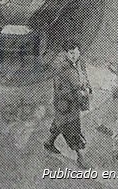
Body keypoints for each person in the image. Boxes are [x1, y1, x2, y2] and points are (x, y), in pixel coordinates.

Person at [44, 40, 92, 169]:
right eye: (71, 53)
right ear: (66, 53)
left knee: (60, 123)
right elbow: (69, 87)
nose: (74, 56)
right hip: (66, 103)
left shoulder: (79, 61)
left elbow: (83, 75)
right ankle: (80, 157)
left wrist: (87, 86)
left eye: (76, 52)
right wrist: (82, 92)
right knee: (73, 128)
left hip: (71, 101)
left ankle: (49, 142)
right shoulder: (62, 66)